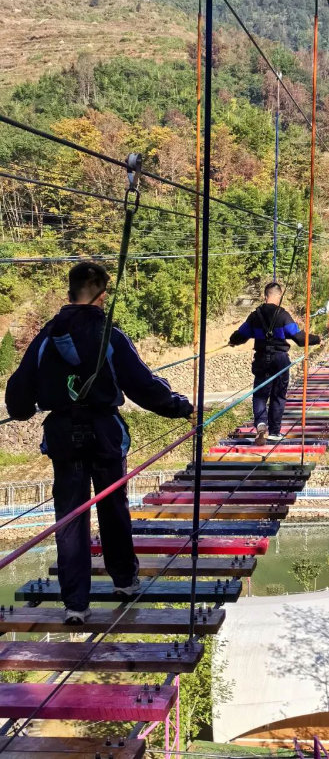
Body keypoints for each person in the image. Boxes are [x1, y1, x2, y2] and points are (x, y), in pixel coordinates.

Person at [4, 262, 193, 625]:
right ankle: (124, 581)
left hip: (63, 436)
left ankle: (76, 604)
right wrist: (180, 407)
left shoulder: (46, 337)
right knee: (113, 508)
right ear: (103, 297)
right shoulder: (110, 337)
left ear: (69, 293)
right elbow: (143, 385)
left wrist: (29, 407)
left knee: (70, 518)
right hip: (105, 433)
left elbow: (18, 396)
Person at [229, 282, 319, 446]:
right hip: (280, 359)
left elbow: (241, 335)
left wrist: (232, 341)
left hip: (261, 358)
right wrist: (316, 339)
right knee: (278, 395)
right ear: (279, 296)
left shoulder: (255, 315)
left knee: (260, 394)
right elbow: (299, 338)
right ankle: (275, 431)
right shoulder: (283, 315)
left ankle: (261, 424)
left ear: (265, 296)